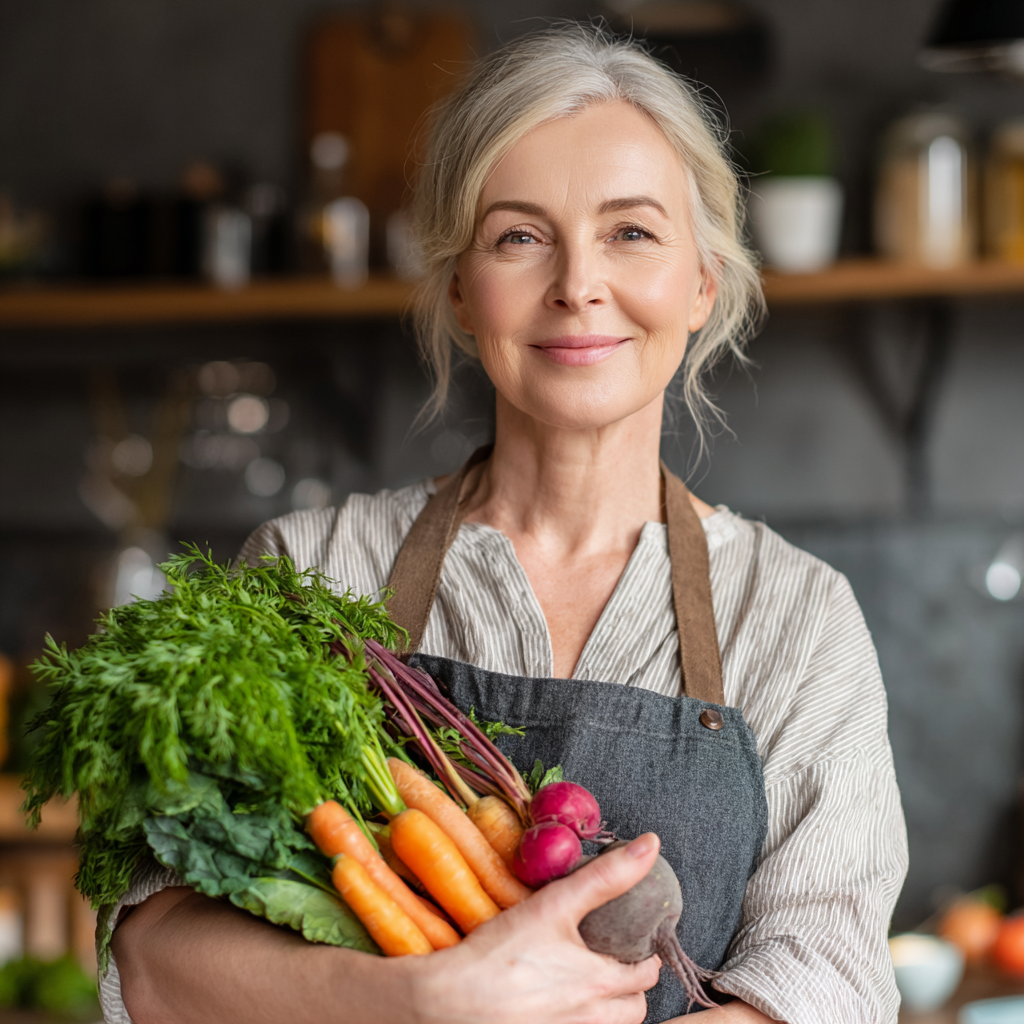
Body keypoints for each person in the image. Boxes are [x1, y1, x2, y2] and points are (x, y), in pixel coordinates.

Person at [105, 24, 907, 1024]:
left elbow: (830, 978)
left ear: (700, 282)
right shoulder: (308, 571)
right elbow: (154, 957)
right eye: (520, 236)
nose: (577, 284)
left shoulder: (791, 615)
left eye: (632, 232)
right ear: (458, 287)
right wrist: (425, 1001)